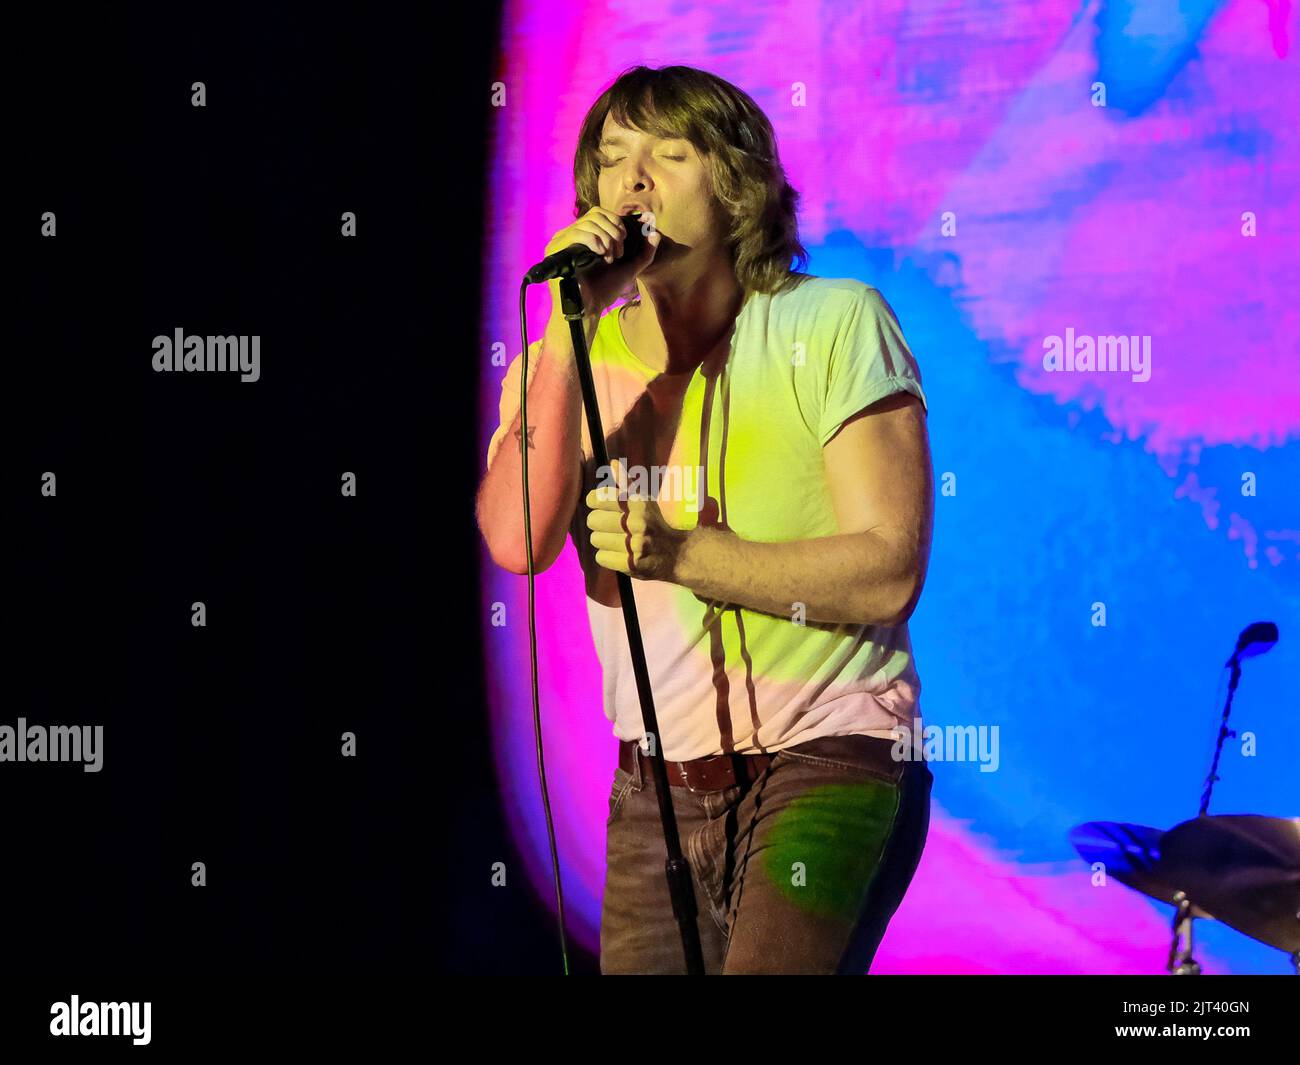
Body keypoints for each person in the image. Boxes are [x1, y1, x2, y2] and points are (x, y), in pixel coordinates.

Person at [476, 64, 935, 974]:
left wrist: (689, 554)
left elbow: (889, 569)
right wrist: (571, 335)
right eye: (611, 159)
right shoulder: (560, 363)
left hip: (828, 758)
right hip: (651, 791)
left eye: (667, 155)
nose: (631, 180)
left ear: (737, 186)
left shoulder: (835, 322)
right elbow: (516, 539)